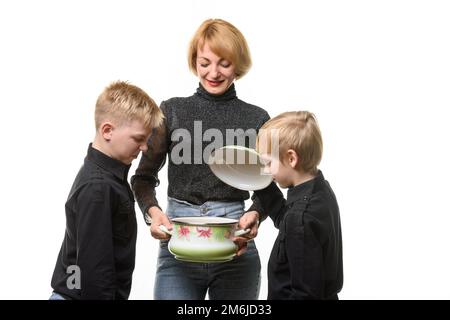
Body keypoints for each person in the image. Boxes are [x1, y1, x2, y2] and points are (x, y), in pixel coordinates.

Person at [131, 18, 270, 300]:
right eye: (204, 62)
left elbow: (269, 187)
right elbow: (143, 178)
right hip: (179, 241)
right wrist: (152, 213)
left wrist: (256, 212)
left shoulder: (257, 119)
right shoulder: (172, 111)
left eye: (224, 63)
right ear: (194, 60)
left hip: (234, 242)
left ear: (238, 64)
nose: (214, 72)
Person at [50, 81, 164, 300]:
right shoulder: (98, 187)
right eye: (139, 139)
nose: (144, 148)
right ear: (108, 131)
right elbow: (94, 270)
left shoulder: (109, 178)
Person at [254, 111, 343, 300]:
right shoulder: (320, 191)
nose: (265, 171)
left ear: (291, 158)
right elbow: (286, 219)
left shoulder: (300, 218)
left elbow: (305, 295)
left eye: (268, 163)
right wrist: (259, 185)